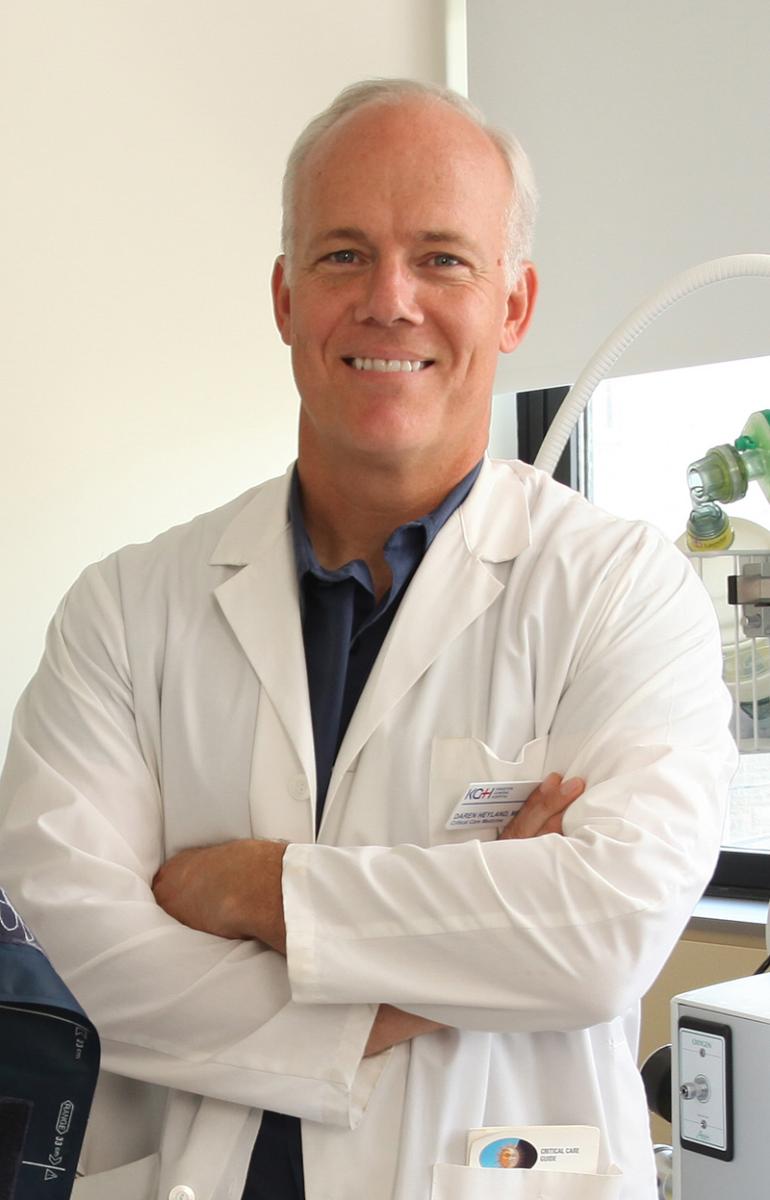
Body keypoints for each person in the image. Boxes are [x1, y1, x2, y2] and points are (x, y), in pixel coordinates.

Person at [0, 78, 735, 1200]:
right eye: (344, 255)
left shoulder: (621, 592)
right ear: (286, 297)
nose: (390, 300)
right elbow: (66, 956)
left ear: (514, 305)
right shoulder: (124, 608)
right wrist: (441, 972)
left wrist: (258, 890)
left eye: (442, 258)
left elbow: (605, 933)